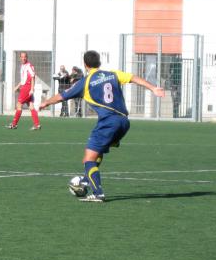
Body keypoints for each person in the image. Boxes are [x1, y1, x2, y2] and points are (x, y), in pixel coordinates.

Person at [38, 50, 165, 202]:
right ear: (99, 63)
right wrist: (153, 88)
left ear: (85, 65)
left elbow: (62, 96)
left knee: (88, 160)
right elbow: (133, 78)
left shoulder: (85, 82)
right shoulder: (113, 74)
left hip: (108, 122)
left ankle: (98, 193)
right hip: (124, 122)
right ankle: (86, 179)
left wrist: (46, 102)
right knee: (98, 153)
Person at [5, 51, 41, 130]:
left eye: (25, 57)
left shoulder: (29, 66)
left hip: (27, 88)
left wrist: (32, 89)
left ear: (26, 57)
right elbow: (23, 79)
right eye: (22, 57)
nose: (23, 58)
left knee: (19, 105)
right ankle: (37, 124)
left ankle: (14, 124)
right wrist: (17, 86)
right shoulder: (22, 66)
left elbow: (33, 77)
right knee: (31, 106)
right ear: (20, 58)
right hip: (24, 87)